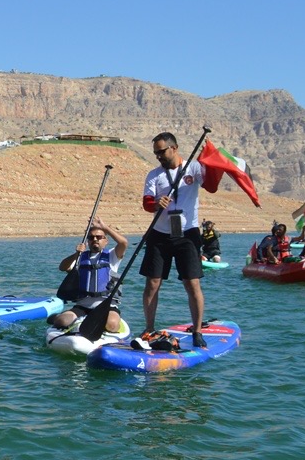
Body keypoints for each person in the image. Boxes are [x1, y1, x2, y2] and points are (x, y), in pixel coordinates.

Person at [140, 132, 206, 346]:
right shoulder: (154, 175)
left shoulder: (193, 168)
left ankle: (197, 332)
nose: (158, 156)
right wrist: (156, 203)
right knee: (152, 283)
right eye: (155, 153)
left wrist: (211, 161)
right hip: (159, 234)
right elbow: (147, 203)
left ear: (174, 148)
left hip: (187, 233)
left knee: (192, 282)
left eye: (162, 151)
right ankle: (149, 328)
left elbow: (211, 184)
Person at [47, 219, 129, 334]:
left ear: (106, 240)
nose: (95, 239)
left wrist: (105, 228)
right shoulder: (80, 257)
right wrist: (76, 254)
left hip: (106, 306)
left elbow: (123, 243)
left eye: (99, 237)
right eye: (91, 238)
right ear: (88, 241)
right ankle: (57, 317)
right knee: (61, 321)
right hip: (83, 306)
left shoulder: (112, 256)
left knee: (112, 325)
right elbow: (63, 267)